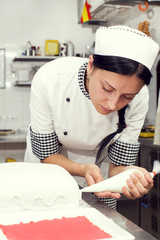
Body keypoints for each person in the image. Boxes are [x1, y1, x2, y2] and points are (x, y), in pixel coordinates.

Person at [24, 25, 159, 209]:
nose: (112, 105)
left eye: (127, 97)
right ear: (90, 66)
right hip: (47, 173)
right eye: (107, 89)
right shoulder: (50, 79)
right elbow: (46, 154)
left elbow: (118, 167)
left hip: (98, 179)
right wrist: (83, 169)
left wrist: (130, 175)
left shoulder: (140, 97)